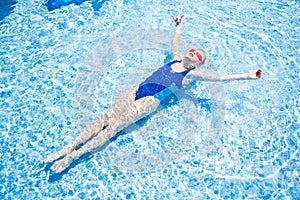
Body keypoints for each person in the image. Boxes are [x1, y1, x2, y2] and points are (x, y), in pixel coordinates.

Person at [44, 12, 262, 173]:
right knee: (105, 117)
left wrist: (246, 75)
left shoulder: (189, 76)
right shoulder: (175, 58)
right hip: (136, 90)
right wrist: (178, 26)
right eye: (193, 50)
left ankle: (73, 157)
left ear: (197, 64)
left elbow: (218, 79)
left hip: (149, 101)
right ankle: (69, 146)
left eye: (197, 55)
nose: (192, 52)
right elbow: (175, 43)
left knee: (113, 128)